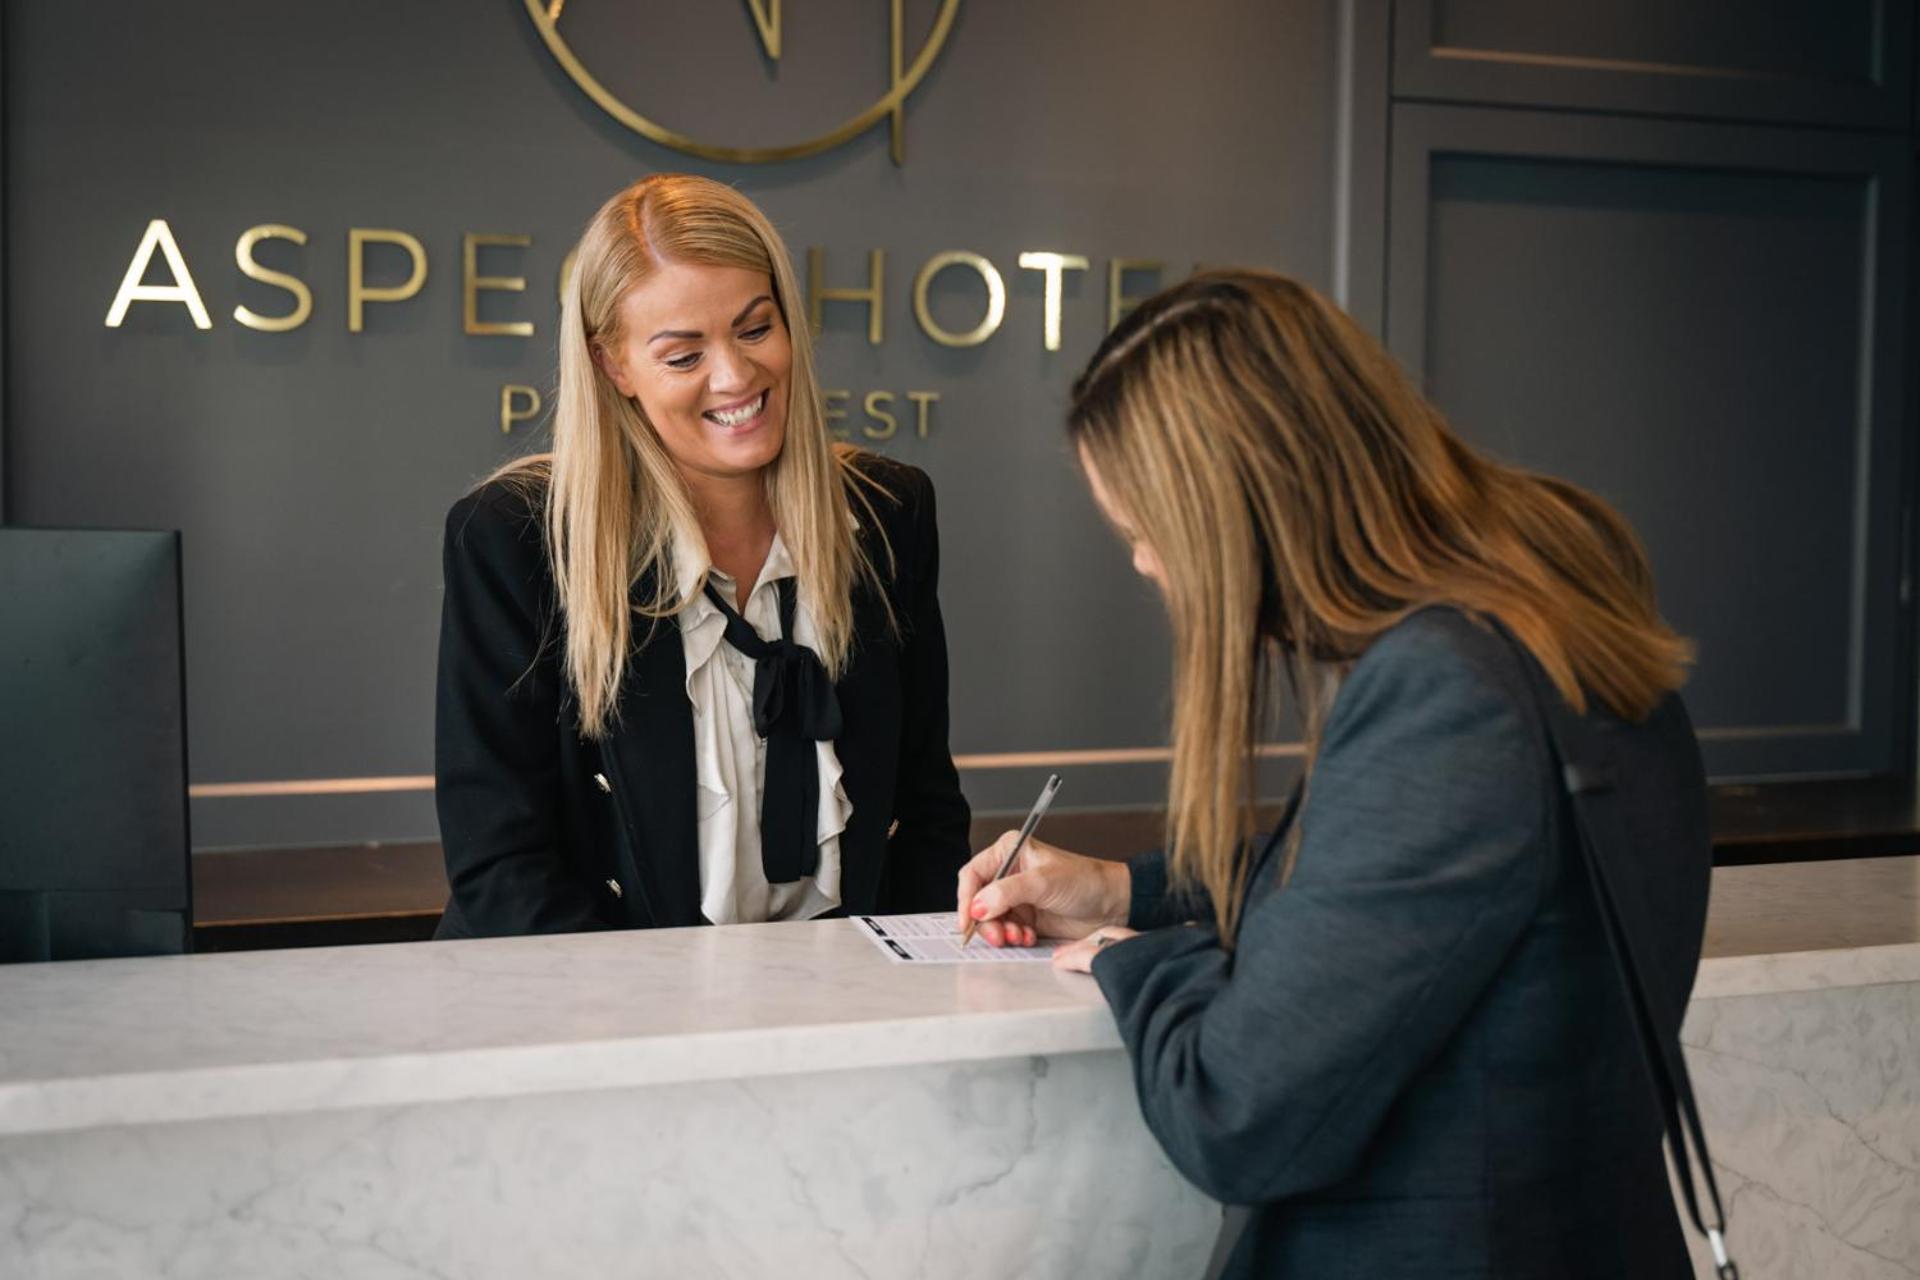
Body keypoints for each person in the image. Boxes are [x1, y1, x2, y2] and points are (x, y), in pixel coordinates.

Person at [959, 270, 1711, 1277]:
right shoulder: (1549, 612)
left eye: (1144, 533)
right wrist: (1124, 886)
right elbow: (1388, 889)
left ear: (1239, 509)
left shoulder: (1448, 690)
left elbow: (1235, 1114)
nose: (1142, 565)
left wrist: (1127, 955)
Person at [435, 174, 969, 937]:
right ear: (614, 366)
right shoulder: (516, 538)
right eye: (684, 356)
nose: (735, 376)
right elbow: (501, 866)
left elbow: (927, 814)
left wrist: (910, 977)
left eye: (755, 329)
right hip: (590, 994)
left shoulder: (889, 513)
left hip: (839, 991)